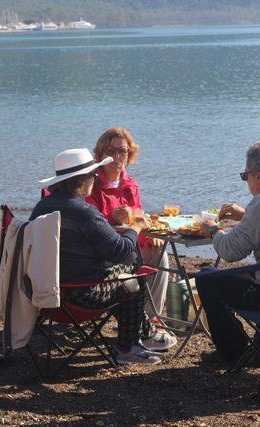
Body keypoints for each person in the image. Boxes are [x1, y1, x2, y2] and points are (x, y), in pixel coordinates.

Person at [30, 148, 162, 365]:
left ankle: (145, 331)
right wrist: (135, 228)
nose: (96, 178)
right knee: (134, 274)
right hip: (80, 295)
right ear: (83, 180)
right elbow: (120, 250)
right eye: (94, 174)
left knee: (123, 273)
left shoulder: (42, 207)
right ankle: (128, 348)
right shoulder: (84, 212)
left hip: (44, 294)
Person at [196, 140, 260, 364]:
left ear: (259, 176)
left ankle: (234, 352)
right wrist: (246, 215)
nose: (247, 182)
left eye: (246, 176)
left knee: (206, 278)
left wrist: (212, 231)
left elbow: (230, 251)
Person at [86, 127, 176, 350]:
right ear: (100, 154)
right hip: (105, 253)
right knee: (140, 261)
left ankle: (149, 318)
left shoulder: (130, 185)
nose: (118, 157)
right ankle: (142, 324)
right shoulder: (92, 186)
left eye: (123, 152)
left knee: (160, 254)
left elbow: (138, 221)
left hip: (128, 245)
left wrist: (147, 238)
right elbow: (90, 228)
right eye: (112, 151)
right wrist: (111, 218)